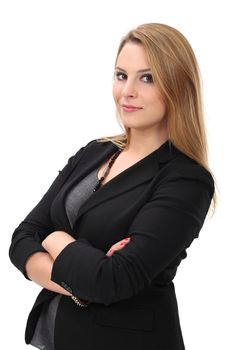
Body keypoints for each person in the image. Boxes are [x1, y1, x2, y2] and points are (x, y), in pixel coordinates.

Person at [9, 22, 216, 350]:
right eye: (121, 75)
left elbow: (113, 280)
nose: (127, 91)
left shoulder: (186, 180)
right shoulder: (94, 152)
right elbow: (21, 238)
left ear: (177, 86)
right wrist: (81, 282)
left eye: (146, 78)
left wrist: (54, 238)